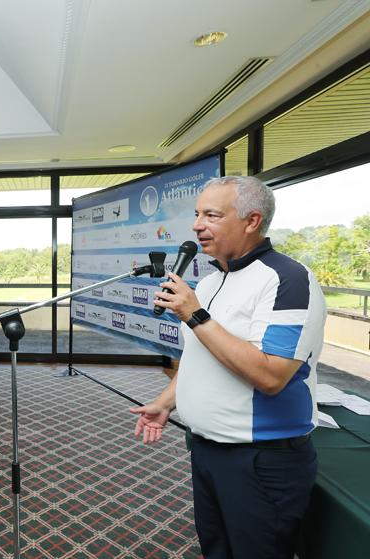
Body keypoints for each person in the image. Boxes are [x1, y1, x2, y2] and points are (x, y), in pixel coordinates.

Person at [130, 176, 326, 559]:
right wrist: (167, 401)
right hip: (208, 450)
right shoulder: (210, 281)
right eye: (198, 214)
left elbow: (270, 376)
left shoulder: (287, 279)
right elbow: (204, 355)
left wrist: (194, 314)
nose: (197, 224)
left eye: (212, 215)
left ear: (252, 221)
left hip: (261, 460)